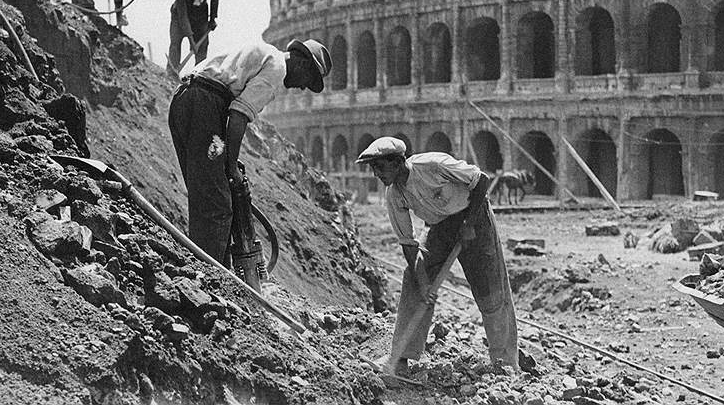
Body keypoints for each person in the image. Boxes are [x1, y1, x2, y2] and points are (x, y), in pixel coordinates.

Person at [356, 137, 518, 376]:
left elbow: (481, 180)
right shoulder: (394, 195)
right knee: (413, 279)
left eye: (380, 166)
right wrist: (423, 283)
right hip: (437, 228)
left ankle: (505, 362)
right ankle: (400, 357)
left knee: (491, 289)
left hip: (475, 216)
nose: (376, 174)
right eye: (373, 168)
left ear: (398, 162)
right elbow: (408, 245)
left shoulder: (433, 165)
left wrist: (469, 223)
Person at [168, 39, 331, 266]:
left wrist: (226, 157)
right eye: (308, 80)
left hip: (184, 99)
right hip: (205, 105)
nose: (303, 87)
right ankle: (209, 277)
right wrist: (232, 165)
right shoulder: (277, 70)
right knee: (217, 204)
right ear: (303, 65)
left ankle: (217, 271)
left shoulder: (266, 53)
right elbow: (238, 115)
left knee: (205, 193)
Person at [168, 0, 219, 79]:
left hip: (200, 16)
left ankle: (198, 76)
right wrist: (191, 40)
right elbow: (183, 16)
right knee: (175, 42)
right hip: (179, 16)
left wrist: (213, 18)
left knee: (202, 47)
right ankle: (171, 75)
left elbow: (215, 0)